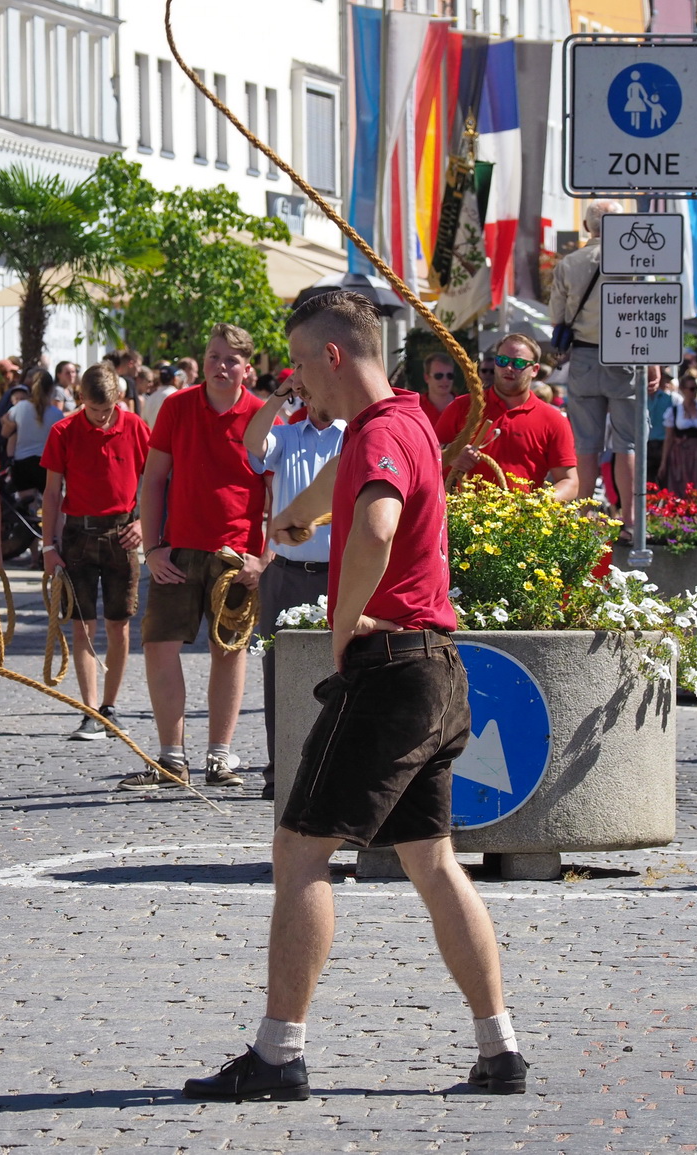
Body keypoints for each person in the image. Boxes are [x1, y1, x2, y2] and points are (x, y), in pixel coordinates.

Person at [183, 289, 525, 1103]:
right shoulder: (405, 418)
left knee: (302, 849)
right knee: (432, 861)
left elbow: (374, 524)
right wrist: (297, 518)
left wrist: (343, 624)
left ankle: (278, 1054)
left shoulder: (377, 430)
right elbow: (356, 474)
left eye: (300, 365)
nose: (296, 384)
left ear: (335, 354)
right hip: (440, 669)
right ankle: (499, 1047)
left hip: (389, 667)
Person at [123, 324, 267, 791]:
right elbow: (154, 479)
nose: (220, 367)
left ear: (247, 366)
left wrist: (261, 557)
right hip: (177, 552)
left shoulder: (263, 416)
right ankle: (171, 757)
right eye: (212, 357)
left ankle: (220, 758)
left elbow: (278, 493)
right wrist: (153, 546)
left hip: (236, 555)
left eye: (230, 359)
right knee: (158, 645)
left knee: (229, 651)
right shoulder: (177, 407)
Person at [243, 373, 344, 799]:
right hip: (286, 572)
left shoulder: (352, 436)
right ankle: (280, 771)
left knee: (341, 673)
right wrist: (279, 396)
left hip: (338, 572)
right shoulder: (286, 435)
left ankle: (333, 770)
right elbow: (252, 444)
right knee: (278, 675)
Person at [38, 364, 151, 740]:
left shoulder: (134, 427)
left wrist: (144, 525)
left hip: (123, 534)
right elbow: (52, 492)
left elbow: (155, 480)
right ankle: (90, 710)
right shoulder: (64, 431)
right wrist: (48, 547)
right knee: (82, 626)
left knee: (119, 625)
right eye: (95, 410)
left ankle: (110, 705)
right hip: (78, 535)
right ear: (81, 399)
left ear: (118, 400)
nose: (102, 419)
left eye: (108, 411)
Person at [552, 200, 638, 532]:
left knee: (586, 443)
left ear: (588, 228)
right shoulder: (634, 260)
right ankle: (629, 518)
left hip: (585, 357)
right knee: (626, 442)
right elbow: (650, 313)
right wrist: (654, 364)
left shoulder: (569, 263)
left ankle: (585, 515)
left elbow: (557, 319)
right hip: (626, 354)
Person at [438, 334, 577, 502]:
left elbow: (569, 481)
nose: (508, 368)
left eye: (518, 363)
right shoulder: (462, 407)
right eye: (502, 361)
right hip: (463, 517)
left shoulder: (554, 420)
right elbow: (426, 455)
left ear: (535, 370)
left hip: (520, 521)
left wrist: (538, 505)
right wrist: (450, 454)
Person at [1, 368, 62, 500]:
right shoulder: (57, 414)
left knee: (27, 508)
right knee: (52, 505)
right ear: (51, 389)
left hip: (22, 465)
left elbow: (5, 434)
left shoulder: (19, 407)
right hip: (47, 467)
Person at [660, 372, 697, 493]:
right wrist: (664, 463)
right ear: (683, 390)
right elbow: (669, 438)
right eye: (691, 389)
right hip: (680, 454)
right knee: (680, 486)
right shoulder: (674, 412)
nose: (694, 392)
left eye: (696, 389)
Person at [418, 352, 459, 427]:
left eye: (449, 375)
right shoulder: (416, 407)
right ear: (426, 378)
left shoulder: (464, 406)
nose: (445, 380)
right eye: (439, 376)